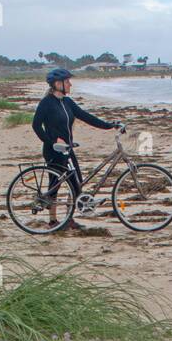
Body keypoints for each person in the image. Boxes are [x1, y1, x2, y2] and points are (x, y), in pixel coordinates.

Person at [32, 67, 123, 230]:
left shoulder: (67, 102)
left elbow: (86, 117)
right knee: (56, 184)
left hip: (68, 149)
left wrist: (109, 125)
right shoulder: (46, 103)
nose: (70, 85)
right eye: (67, 82)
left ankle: (69, 218)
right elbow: (36, 126)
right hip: (54, 150)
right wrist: (51, 141)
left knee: (76, 183)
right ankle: (52, 221)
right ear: (57, 84)